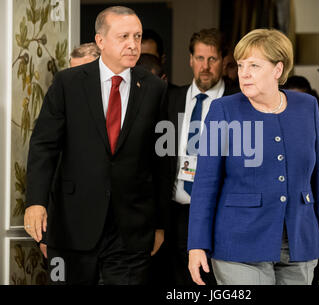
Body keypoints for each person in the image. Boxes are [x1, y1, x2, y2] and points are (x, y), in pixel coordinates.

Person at [24, 6, 168, 285]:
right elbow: (44, 146)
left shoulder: (155, 88)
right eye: (123, 36)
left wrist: (160, 224)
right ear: (100, 41)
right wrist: (36, 202)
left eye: (137, 37)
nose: (133, 44)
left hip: (131, 229)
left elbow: (162, 159)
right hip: (71, 226)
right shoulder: (68, 83)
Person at [187, 28, 319, 285]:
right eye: (241, 64)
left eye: (254, 65)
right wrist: (197, 245)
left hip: (299, 243)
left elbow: (318, 176)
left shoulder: (307, 107)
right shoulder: (223, 110)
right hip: (239, 246)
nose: (244, 73)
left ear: (278, 70)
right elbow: (206, 184)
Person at [164, 28, 239, 285]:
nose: (205, 67)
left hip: (220, 216)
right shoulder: (170, 99)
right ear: (190, 60)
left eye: (212, 59)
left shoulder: (238, 101)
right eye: (199, 58)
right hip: (176, 217)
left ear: (223, 61)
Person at [38, 42, 103, 260]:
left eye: (81, 72)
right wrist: (46, 234)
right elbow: (47, 164)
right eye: (71, 71)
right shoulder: (60, 104)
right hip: (67, 228)